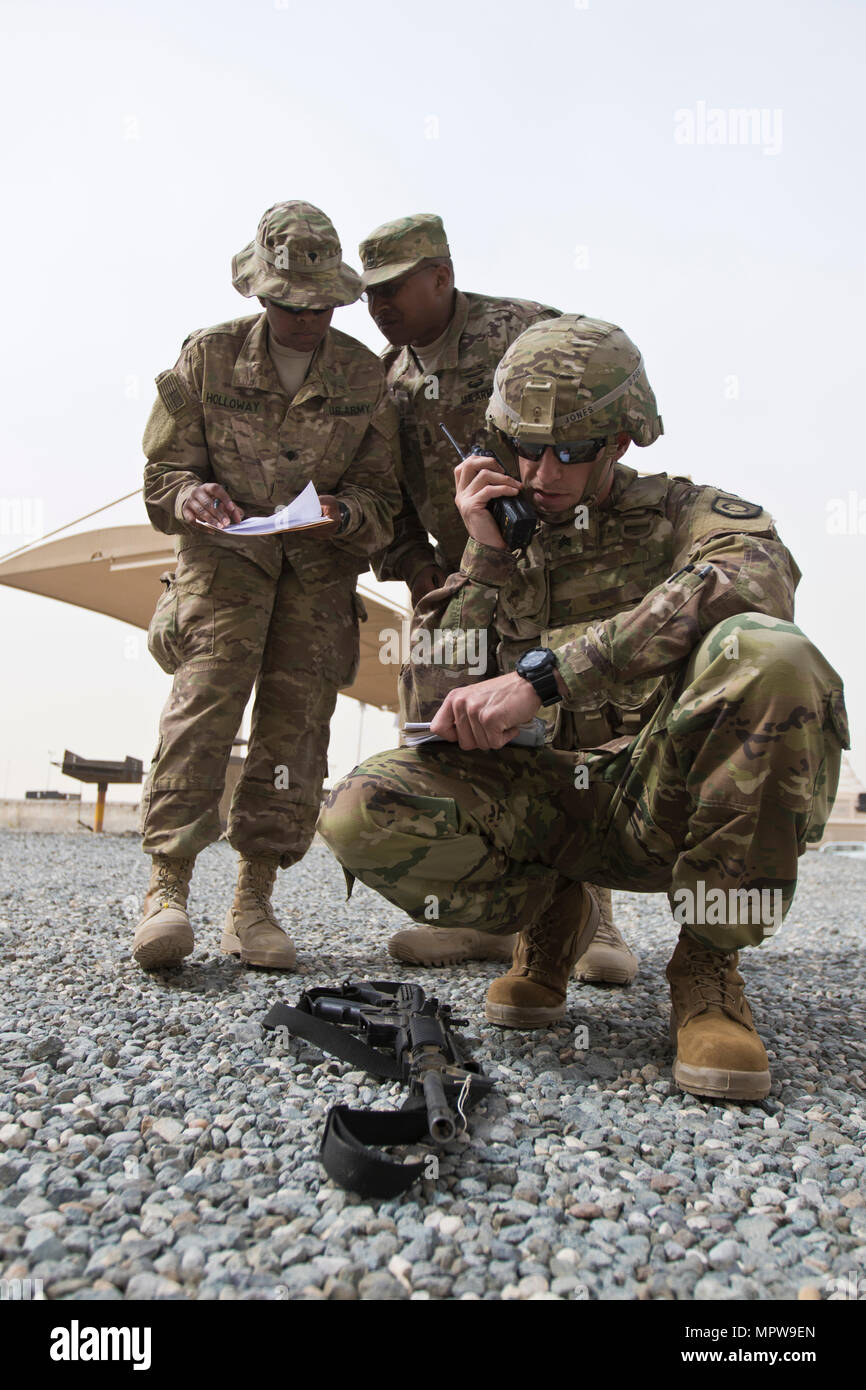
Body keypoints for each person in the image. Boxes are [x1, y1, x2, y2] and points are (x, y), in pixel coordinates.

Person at [318, 315, 849, 1101]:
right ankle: (551, 919)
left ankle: (707, 963)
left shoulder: (685, 513)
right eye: (524, 449)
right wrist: (484, 561)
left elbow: (756, 585)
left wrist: (543, 677)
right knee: (364, 808)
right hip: (556, 813)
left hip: (663, 797)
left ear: (621, 441)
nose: (542, 471)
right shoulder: (501, 538)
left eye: (569, 450)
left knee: (769, 654)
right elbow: (428, 721)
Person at [358, 211, 636, 985]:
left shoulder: (525, 329)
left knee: (574, 710)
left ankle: (596, 919)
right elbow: (388, 493)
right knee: (449, 731)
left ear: (440, 276)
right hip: (464, 575)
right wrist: (420, 572)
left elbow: (595, 412)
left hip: (557, 554)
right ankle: (485, 917)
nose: (378, 306)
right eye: (368, 293)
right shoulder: (389, 378)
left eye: (393, 288)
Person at [133, 201, 400, 973]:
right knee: (201, 713)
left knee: (296, 733)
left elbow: (384, 504)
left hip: (316, 580)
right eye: (290, 304)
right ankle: (167, 893)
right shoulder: (208, 358)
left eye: (320, 306)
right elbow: (162, 477)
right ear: (259, 292)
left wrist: (341, 512)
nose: (306, 319)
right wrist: (190, 496)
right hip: (222, 568)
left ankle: (253, 904)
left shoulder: (362, 375)